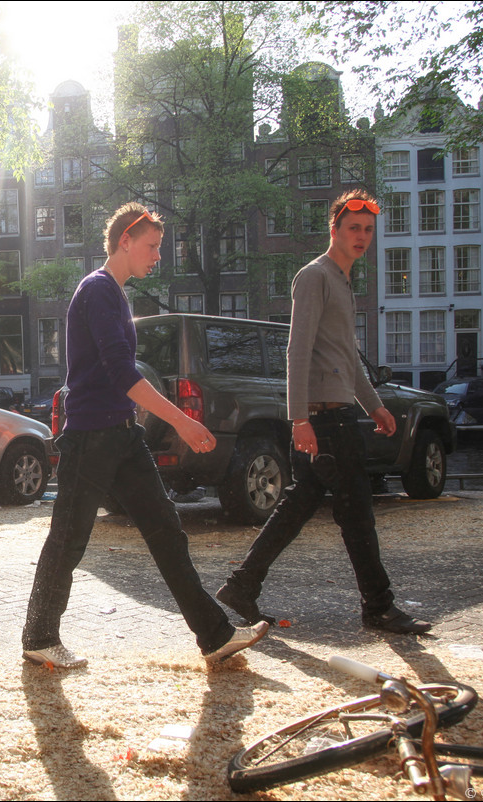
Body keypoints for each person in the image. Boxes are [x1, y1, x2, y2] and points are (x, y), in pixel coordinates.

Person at [21, 203, 270, 670]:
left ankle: (213, 636)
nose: (159, 255)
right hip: (91, 436)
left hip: (121, 433)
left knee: (166, 531)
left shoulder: (117, 295)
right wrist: (182, 420)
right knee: (69, 538)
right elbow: (120, 373)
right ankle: (39, 636)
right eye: (153, 246)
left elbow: (121, 374)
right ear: (125, 242)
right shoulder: (97, 290)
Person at [214, 190, 432, 635]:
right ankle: (379, 606)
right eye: (353, 228)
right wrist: (299, 420)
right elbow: (297, 350)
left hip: (338, 417)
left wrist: (375, 406)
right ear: (334, 230)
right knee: (357, 514)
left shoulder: (341, 279)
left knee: (298, 510)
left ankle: (241, 586)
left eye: (368, 230)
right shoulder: (314, 277)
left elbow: (345, 358)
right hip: (325, 422)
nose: (362, 237)